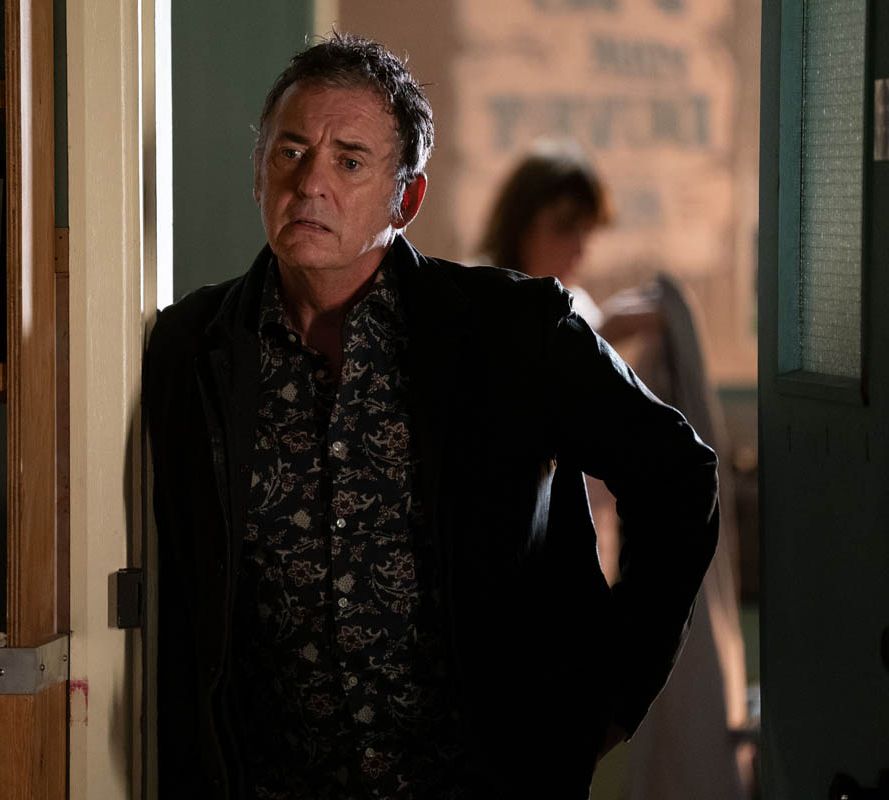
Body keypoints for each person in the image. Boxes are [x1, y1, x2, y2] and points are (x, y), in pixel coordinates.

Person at [143, 33, 720, 799]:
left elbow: (679, 476)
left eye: (350, 161)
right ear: (259, 170)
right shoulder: (191, 347)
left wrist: (612, 696)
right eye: (291, 152)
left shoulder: (512, 331)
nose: (311, 183)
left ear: (405, 199)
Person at [482, 141, 752, 799]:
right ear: (523, 223)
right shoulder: (484, 309)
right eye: (563, 228)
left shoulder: (572, 311)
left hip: (583, 565)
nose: (579, 247)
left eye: (586, 231)